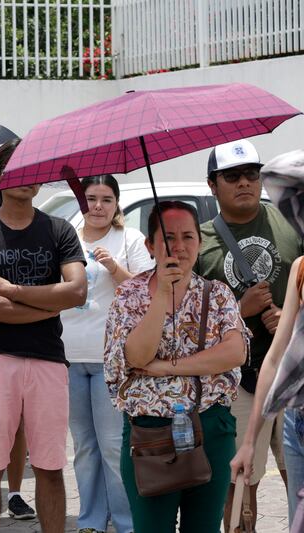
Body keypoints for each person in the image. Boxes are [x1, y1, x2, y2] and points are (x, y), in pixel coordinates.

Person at [0, 148, 87, 533]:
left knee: (50, 468)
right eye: (17, 167)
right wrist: (49, 304)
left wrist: (13, 290)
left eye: (36, 166)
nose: (29, 175)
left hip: (48, 359)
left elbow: (78, 291)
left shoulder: (59, 229)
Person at [105, 201, 248, 532]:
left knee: (204, 527)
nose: (180, 247)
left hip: (211, 428)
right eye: (169, 238)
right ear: (150, 245)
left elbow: (234, 351)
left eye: (188, 236)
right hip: (149, 435)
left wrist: (168, 367)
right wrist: (161, 297)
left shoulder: (218, 294)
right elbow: (137, 357)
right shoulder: (129, 295)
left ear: (200, 242)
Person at [196, 139, 302, 528]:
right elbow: (191, 320)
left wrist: (292, 315)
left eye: (252, 174)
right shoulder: (201, 238)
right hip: (236, 378)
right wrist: (240, 312)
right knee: (240, 482)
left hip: (294, 371)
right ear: (212, 185)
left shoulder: (291, 220)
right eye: (232, 176)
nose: (245, 182)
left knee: (299, 477)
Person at [58, 175, 154, 533]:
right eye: (92, 198)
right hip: (69, 354)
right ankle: (91, 521)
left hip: (111, 359)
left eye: (106, 199)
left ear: (116, 205)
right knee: (84, 447)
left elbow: (146, 294)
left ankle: (127, 523)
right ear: (82, 202)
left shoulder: (127, 239)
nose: (98, 206)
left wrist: (113, 267)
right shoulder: (65, 236)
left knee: (113, 447)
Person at [231, 149, 304, 528]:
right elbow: (276, 358)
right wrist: (249, 441)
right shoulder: (301, 269)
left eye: (249, 174)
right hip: (297, 420)